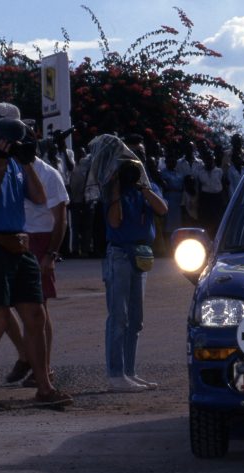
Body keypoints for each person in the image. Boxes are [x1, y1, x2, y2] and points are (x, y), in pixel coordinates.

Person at [0, 102, 72, 409]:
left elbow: (38, 197)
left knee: (35, 315)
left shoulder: (14, 163)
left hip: (18, 245)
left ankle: (44, 388)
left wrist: (26, 162)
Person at [4, 144, 69, 387]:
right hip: (14, 237)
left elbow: (61, 219)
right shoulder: (8, 167)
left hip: (40, 240)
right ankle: (26, 356)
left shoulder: (49, 174)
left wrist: (50, 255)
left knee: (39, 308)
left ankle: (44, 367)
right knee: (2, 305)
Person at [103, 159, 168, 392]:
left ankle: (129, 372)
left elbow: (162, 209)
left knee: (135, 319)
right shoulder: (112, 191)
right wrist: (116, 189)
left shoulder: (147, 188)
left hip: (141, 254)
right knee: (118, 317)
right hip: (119, 254)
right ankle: (115, 374)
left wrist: (144, 188)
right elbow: (114, 221)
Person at [196, 148, 225, 237]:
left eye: (210, 159)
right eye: (207, 159)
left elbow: (224, 186)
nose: (209, 161)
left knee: (218, 222)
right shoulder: (200, 172)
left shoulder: (219, 171)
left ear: (213, 160)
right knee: (206, 223)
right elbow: (199, 187)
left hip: (217, 199)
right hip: (205, 199)